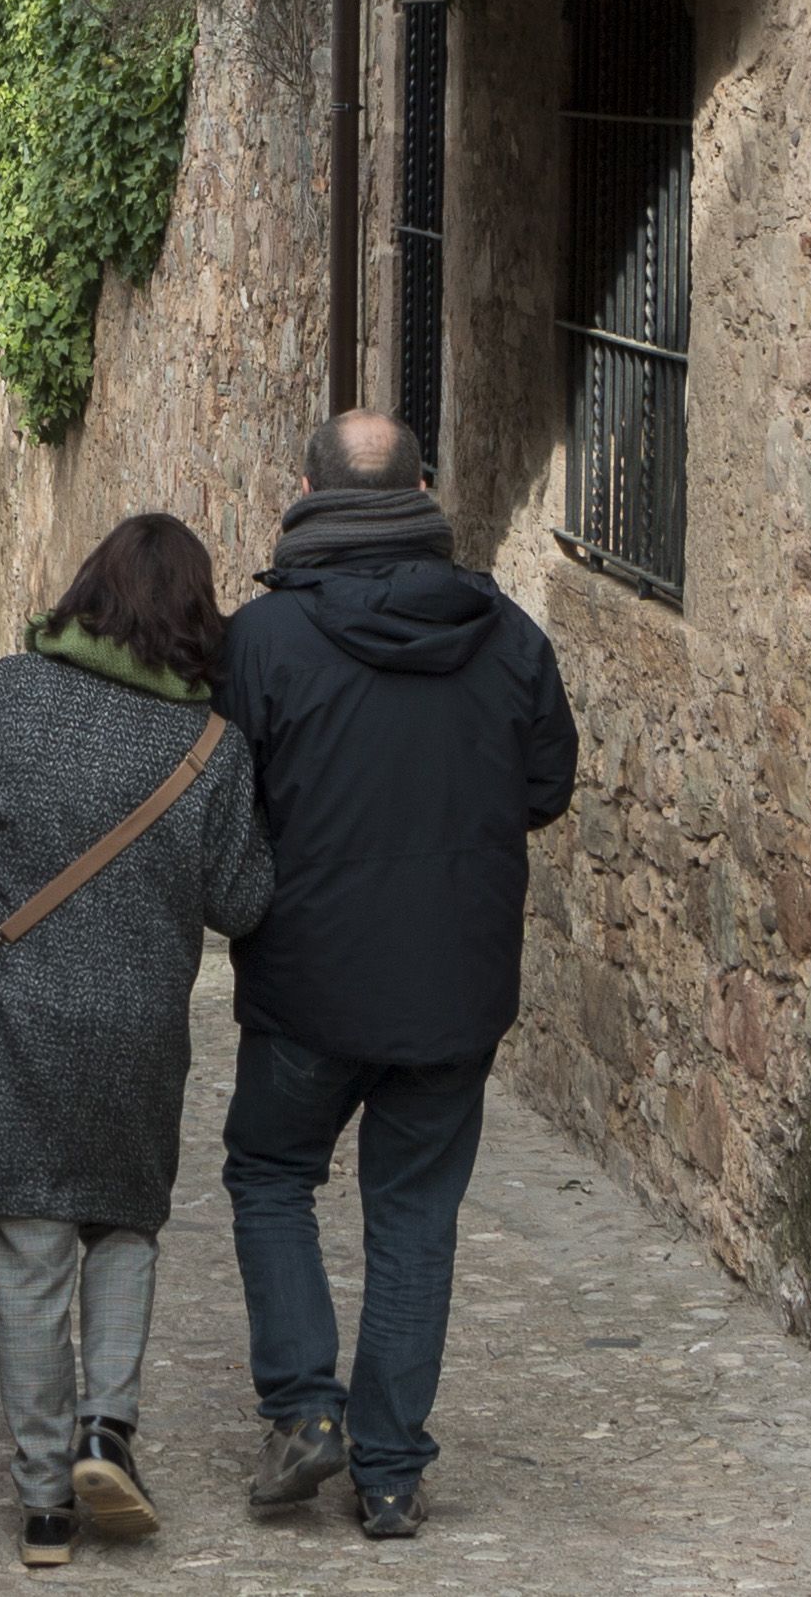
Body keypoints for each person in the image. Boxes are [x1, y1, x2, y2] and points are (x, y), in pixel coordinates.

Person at [210, 411, 578, 1540]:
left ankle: (305, 1410)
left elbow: (228, 810)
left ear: (303, 492)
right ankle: (388, 1471)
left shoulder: (261, 641)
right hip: (453, 986)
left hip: (306, 983)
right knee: (414, 1215)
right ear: (422, 487)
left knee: (272, 1171)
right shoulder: (509, 634)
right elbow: (543, 788)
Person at [0, 513, 273, 1571]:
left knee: (27, 1254)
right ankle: (106, 1430)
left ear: (86, 592)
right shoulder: (211, 749)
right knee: (123, 1226)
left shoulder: (12, 694)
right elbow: (244, 902)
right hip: (139, 1033)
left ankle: (41, 1510)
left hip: (22, 1017)